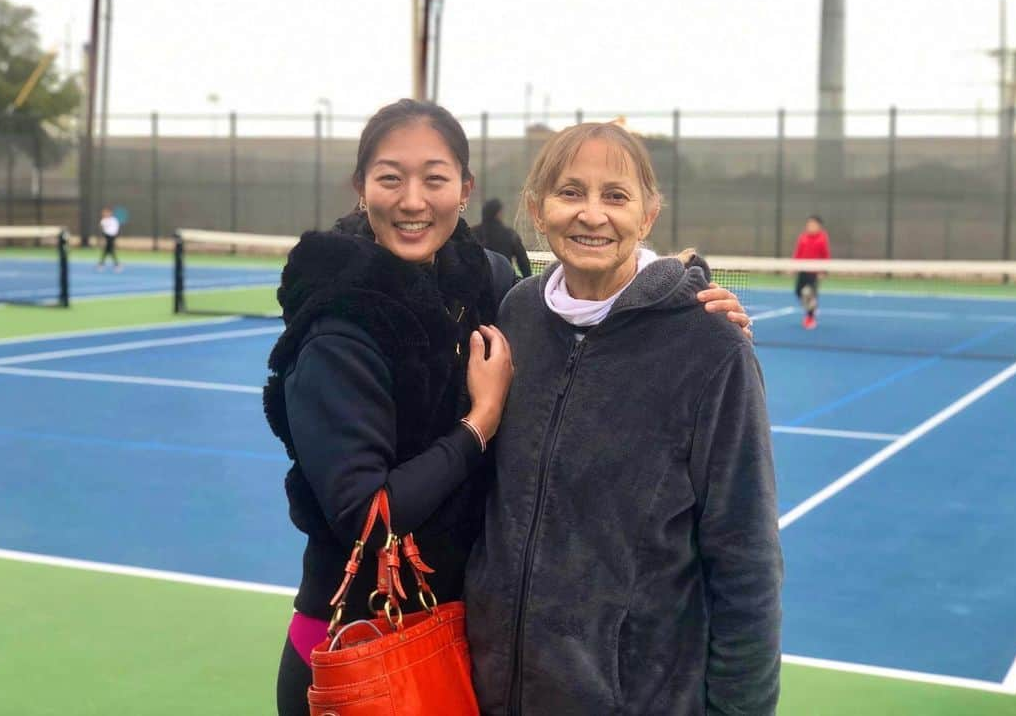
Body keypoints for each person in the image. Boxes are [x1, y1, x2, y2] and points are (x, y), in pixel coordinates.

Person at [263, 102, 752, 716]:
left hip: (458, 644)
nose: (413, 200)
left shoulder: (490, 287)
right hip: (360, 645)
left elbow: (589, 287)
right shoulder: (338, 329)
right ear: (361, 188)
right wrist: (479, 424)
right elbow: (365, 516)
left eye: (435, 178)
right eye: (390, 177)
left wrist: (684, 299)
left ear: (464, 190)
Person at [464, 122, 783, 715]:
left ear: (649, 215)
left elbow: (747, 559)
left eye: (616, 195)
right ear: (538, 209)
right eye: (570, 192)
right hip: (494, 691)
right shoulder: (516, 315)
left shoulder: (712, 346)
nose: (592, 214)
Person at [472, 197, 533, 279]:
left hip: (478, 282)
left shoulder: (472, 233)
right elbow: (523, 262)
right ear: (498, 213)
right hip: (504, 283)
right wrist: (528, 280)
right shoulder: (510, 235)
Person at [792, 214, 830, 330]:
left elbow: (825, 255)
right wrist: (793, 266)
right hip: (802, 270)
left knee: (809, 293)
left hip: (814, 272)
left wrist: (823, 270)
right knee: (798, 292)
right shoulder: (803, 237)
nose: (810, 226)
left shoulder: (822, 238)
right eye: (809, 224)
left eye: (813, 224)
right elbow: (798, 253)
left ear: (819, 226)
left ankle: (810, 318)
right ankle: (812, 306)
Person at [97, 206, 121, 272]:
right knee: (109, 250)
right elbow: (102, 229)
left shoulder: (114, 220)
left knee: (108, 250)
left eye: (106, 212)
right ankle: (116, 264)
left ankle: (102, 264)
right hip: (106, 236)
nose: (105, 214)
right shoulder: (103, 220)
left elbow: (116, 229)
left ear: (110, 213)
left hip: (112, 237)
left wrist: (115, 237)